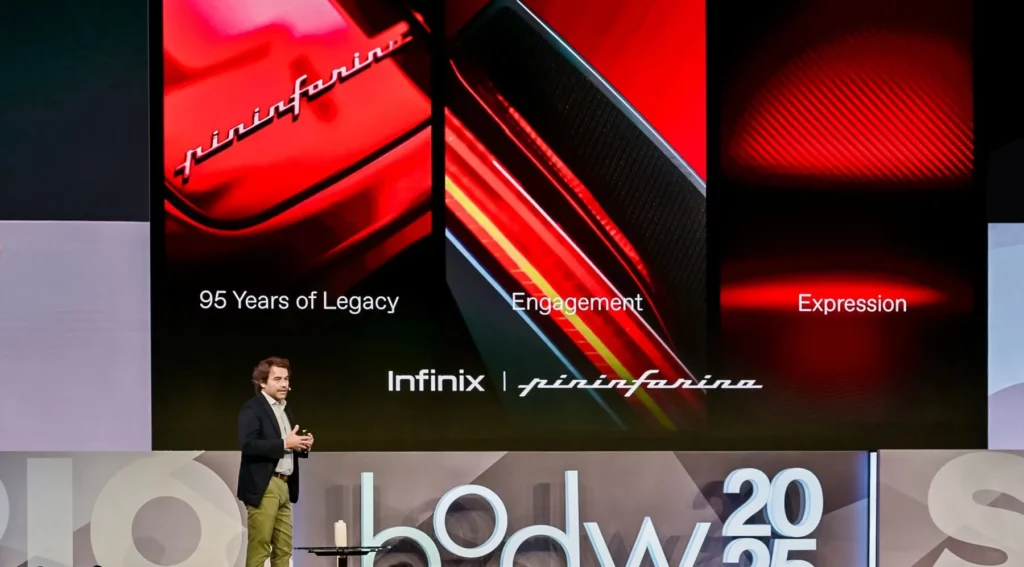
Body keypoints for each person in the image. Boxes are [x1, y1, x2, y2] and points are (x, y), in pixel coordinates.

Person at [237, 357, 314, 567]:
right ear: (263, 382)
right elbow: (249, 445)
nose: (284, 384)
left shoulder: (284, 409)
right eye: (278, 379)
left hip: (285, 484)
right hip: (265, 484)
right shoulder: (253, 408)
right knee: (260, 548)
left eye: (286, 379)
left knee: (284, 550)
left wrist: (301, 445)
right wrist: (284, 443)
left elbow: (287, 444)